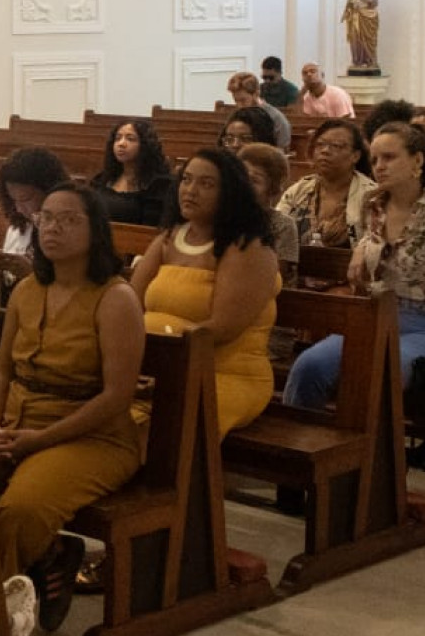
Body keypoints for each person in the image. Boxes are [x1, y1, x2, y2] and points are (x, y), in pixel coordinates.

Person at [0, 185, 143, 631]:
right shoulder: (29, 290)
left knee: (20, 511)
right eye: (47, 218)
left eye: (69, 219)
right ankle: (47, 557)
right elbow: (1, 373)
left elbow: (116, 397)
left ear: (96, 231)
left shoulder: (115, 298)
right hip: (19, 425)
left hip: (94, 437)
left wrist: (39, 440)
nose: (53, 228)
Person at [284, 124, 425, 410]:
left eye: (389, 158)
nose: (379, 167)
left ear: (418, 160)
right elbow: (376, 240)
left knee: (379, 369)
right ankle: (308, 449)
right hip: (373, 316)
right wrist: (362, 246)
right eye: (375, 159)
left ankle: (369, 452)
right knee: (308, 367)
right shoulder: (373, 204)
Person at [131, 150, 280, 436]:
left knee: (161, 424)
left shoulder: (248, 248)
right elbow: (131, 304)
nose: (190, 190)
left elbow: (221, 329)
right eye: (186, 180)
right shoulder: (169, 236)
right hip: (158, 366)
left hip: (223, 374)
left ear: (230, 193)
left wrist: (160, 366)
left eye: (206, 184)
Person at [277, 118, 375, 248]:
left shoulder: (371, 195)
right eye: (320, 144)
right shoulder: (299, 190)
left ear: (355, 156)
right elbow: (276, 230)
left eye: (336, 146)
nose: (325, 151)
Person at [0, 147, 72, 289]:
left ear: (50, 191)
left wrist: (32, 274)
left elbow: (73, 290)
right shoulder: (19, 225)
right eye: (13, 200)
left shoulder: (72, 231)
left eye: (25, 199)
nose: (18, 208)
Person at [89, 120, 173, 226]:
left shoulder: (159, 185)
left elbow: (150, 229)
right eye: (118, 138)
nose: (121, 144)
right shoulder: (102, 179)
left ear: (145, 145)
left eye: (130, 139)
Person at [236, 142, 300, 281]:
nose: (244, 186)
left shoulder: (283, 225)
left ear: (273, 188)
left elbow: (275, 276)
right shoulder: (224, 216)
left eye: (254, 180)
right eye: (240, 178)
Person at [226, 73, 290, 148]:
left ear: (256, 94)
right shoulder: (236, 116)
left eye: (243, 100)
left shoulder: (275, 117)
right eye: (236, 101)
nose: (239, 106)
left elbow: (282, 148)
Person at [342, 0, 381, 71]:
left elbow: (373, 1)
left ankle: (370, 61)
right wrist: (348, 9)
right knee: (355, 38)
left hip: (367, 15)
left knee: (368, 38)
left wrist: (361, 0)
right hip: (355, 15)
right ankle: (357, 61)